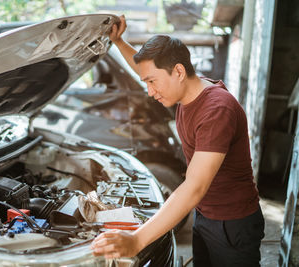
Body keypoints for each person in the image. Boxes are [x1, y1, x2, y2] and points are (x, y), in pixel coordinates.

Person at [91, 15, 265, 266]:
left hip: (232, 223)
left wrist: (137, 240)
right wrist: (118, 41)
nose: (150, 92)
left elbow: (194, 187)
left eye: (152, 82)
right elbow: (147, 70)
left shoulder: (217, 110)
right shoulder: (187, 90)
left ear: (179, 72)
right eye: (147, 82)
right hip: (205, 214)